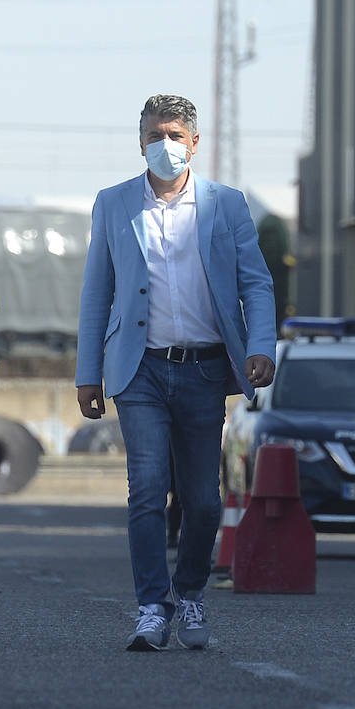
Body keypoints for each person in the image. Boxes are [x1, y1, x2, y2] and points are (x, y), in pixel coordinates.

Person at [75, 94, 275, 651]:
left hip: (206, 369)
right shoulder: (114, 204)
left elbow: (256, 282)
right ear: (140, 142)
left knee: (202, 500)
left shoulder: (225, 205)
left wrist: (261, 345)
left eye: (174, 135)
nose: (164, 145)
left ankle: (189, 595)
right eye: (154, 135)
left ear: (194, 142)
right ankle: (150, 607)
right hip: (140, 369)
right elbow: (98, 291)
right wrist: (87, 373)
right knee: (146, 490)